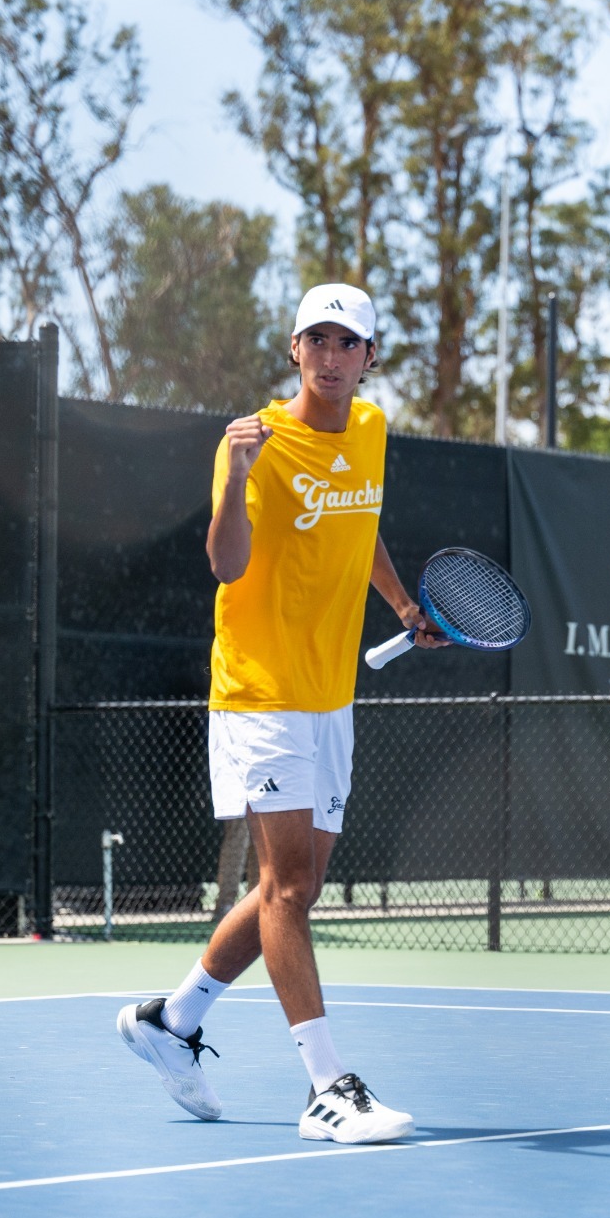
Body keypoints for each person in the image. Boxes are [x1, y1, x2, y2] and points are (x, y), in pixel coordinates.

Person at [116, 283, 444, 1144]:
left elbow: (361, 527)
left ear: (369, 358)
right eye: (317, 340)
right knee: (290, 888)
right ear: (294, 349)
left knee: (287, 889)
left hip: (331, 697)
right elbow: (226, 563)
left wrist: (402, 604)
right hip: (260, 692)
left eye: (348, 343)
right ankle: (328, 1086)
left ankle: (171, 1020)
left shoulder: (370, 430)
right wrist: (236, 478)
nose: (331, 357)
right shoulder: (254, 442)